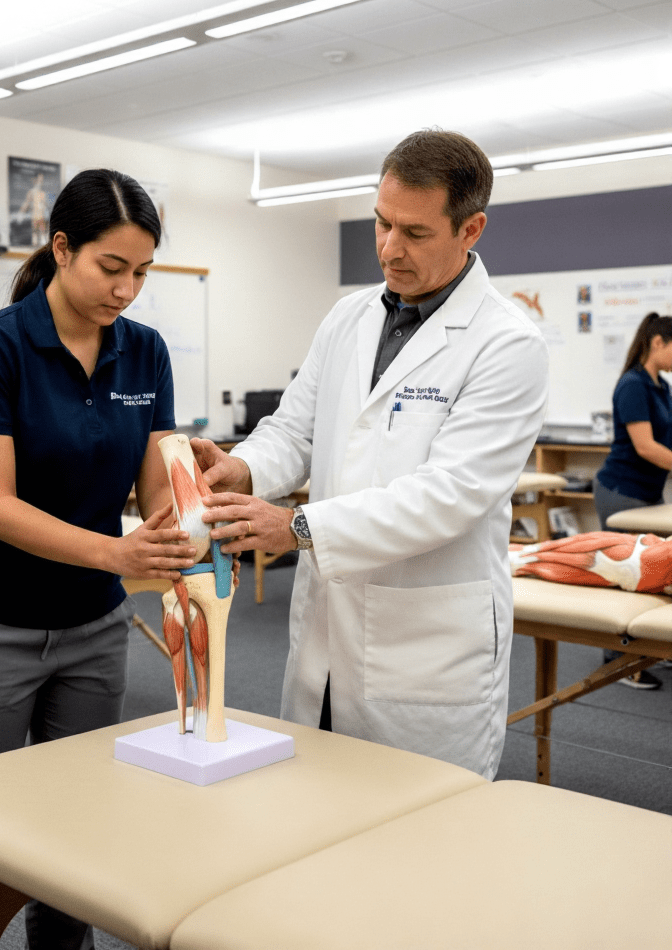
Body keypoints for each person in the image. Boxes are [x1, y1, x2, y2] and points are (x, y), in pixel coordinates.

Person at [193, 129, 549, 781]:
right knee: (313, 817)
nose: (389, 248)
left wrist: (295, 526)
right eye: (381, 224)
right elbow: (294, 431)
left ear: (471, 230)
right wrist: (238, 467)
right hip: (327, 632)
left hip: (424, 652)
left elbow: (447, 498)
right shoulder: (348, 318)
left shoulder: (508, 344)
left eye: (414, 233)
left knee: (419, 847)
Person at [0, 168, 198, 950]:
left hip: (92, 632)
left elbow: (155, 491)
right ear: (61, 247)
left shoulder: (145, 354)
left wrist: (188, 514)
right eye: (112, 268)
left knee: (77, 842)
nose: (127, 290)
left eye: (142, 273)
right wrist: (120, 549)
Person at [591, 312, 672, 690]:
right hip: (621, 491)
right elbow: (646, 447)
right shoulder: (632, 385)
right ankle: (619, 659)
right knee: (626, 574)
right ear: (657, 343)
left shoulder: (661, 386)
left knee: (654, 571)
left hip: (647, 493)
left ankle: (650, 646)